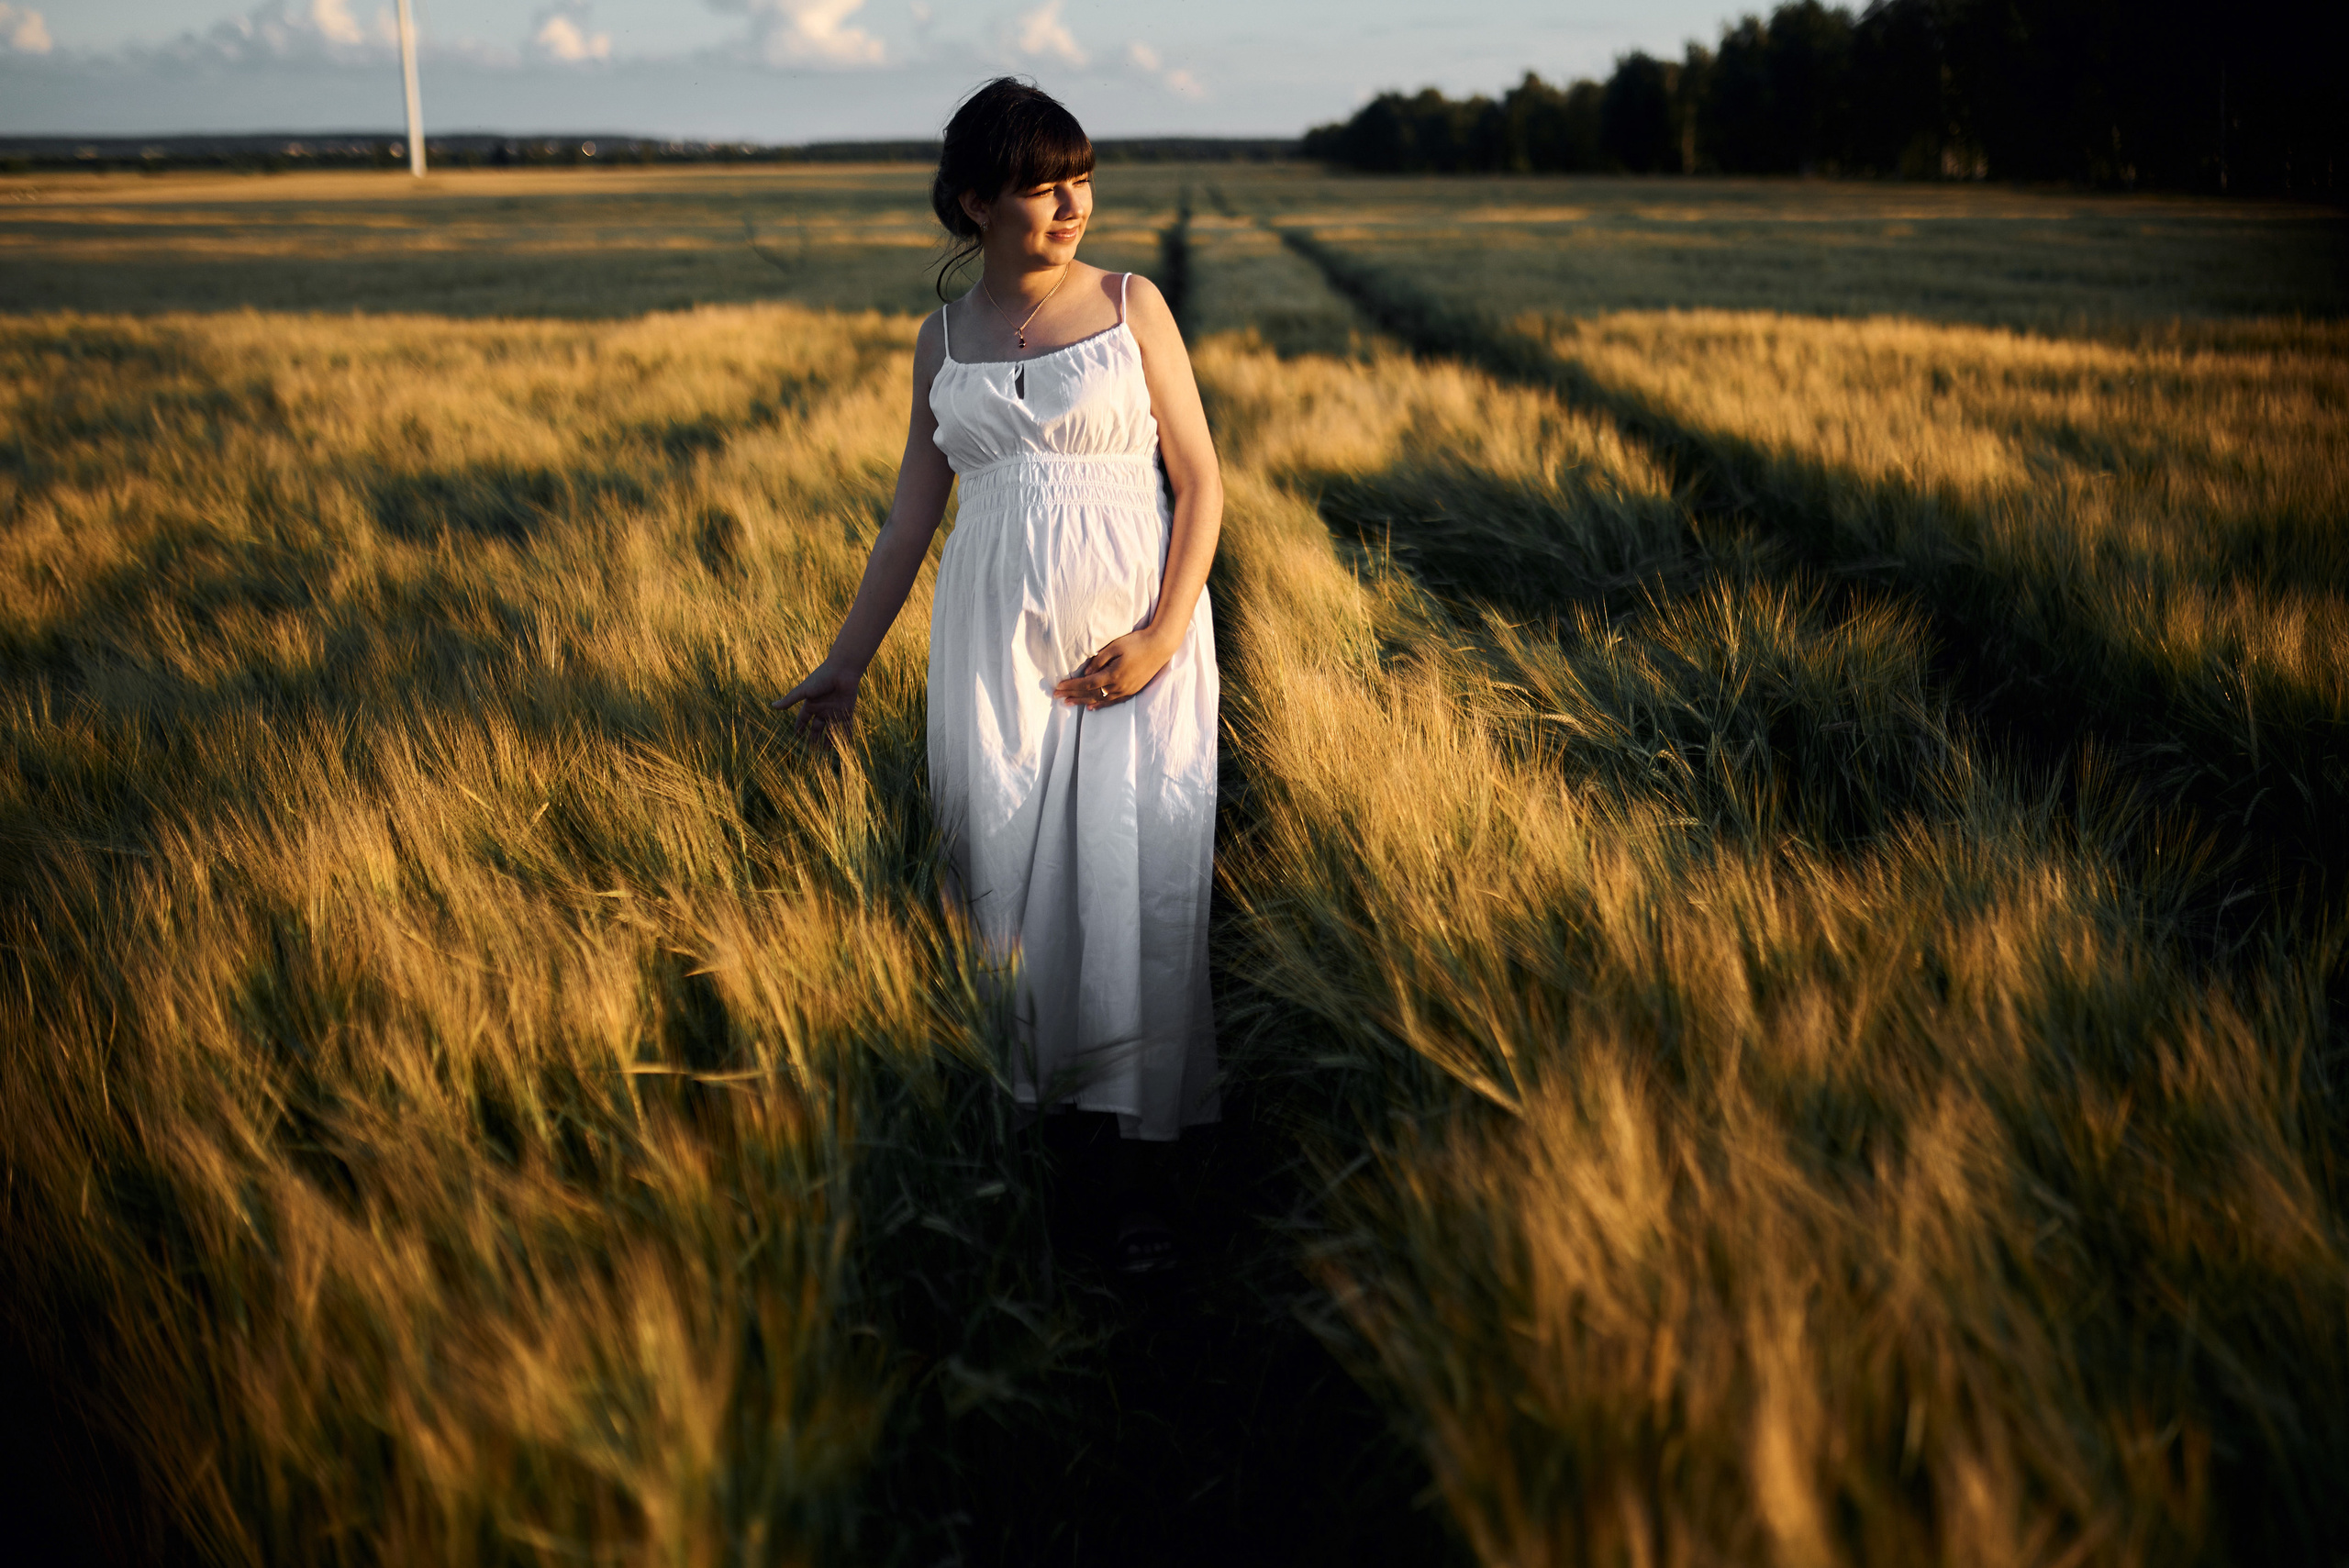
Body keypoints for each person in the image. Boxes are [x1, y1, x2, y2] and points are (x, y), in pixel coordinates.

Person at [773, 79, 1221, 1273]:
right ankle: (1023, 1157)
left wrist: (1163, 635)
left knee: (1129, 881)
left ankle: (1137, 1178)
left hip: (1135, 641)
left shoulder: (1131, 305)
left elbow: (1203, 483)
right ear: (974, 203)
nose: (1072, 205)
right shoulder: (943, 338)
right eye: (1042, 186)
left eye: (1081, 180)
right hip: (989, 646)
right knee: (1002, 880)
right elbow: (908, 521)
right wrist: (845, 665)